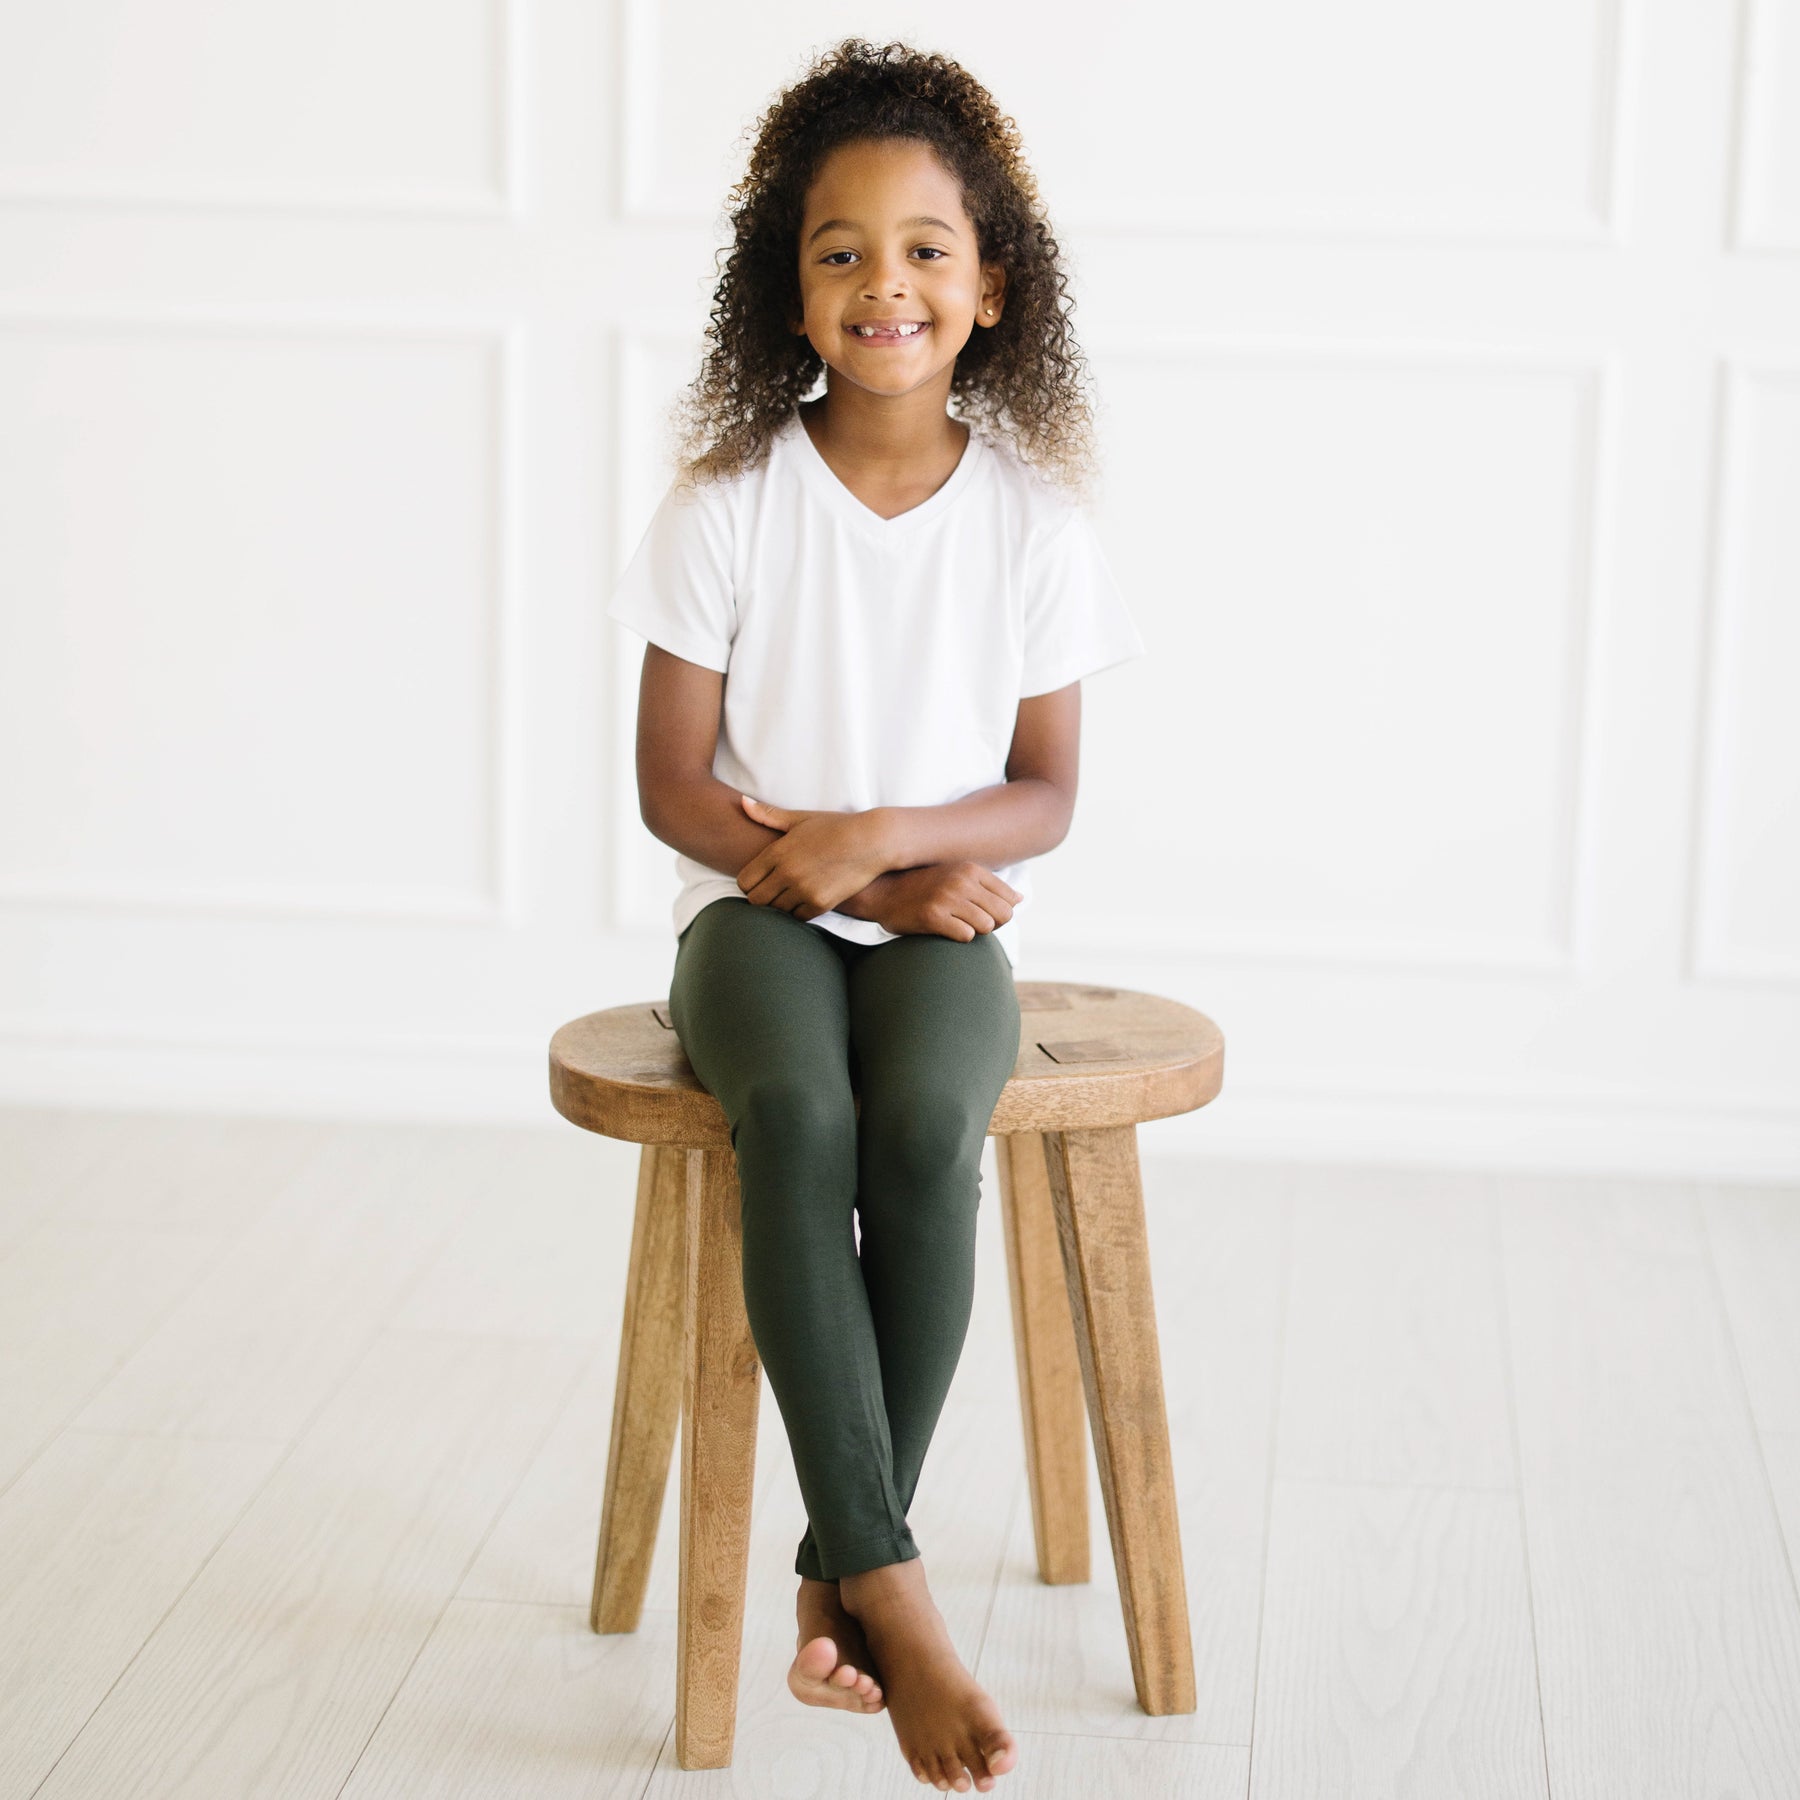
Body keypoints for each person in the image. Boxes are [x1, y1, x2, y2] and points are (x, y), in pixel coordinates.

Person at [606, 37, 1146, 1796]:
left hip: (931, 921)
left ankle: (844, 1565)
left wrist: (890, 850)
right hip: (747, 923)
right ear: (791, 290)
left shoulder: (1036, 520)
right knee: (802, 1112)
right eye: (841, 250)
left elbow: (1046, 791)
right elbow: (677, 783)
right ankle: (891, 1592)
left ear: (993, 290)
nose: (885, 283)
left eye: (927, 248)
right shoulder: (730, 502)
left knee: (922, 1127)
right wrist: (824, 868)